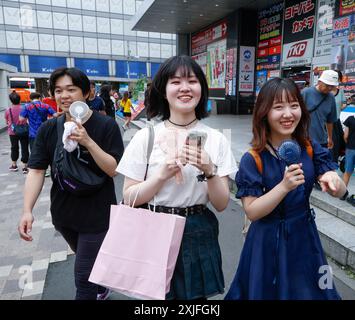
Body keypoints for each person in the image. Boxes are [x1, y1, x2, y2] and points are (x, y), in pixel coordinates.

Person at [117, 55, 237, 300]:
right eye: (176, 82)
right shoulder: (146, 137)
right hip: (154, 227)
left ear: (201, 89)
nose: (185, 88)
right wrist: (160, 176)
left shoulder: (217, 139)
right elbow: (129, 198)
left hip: (197, 229)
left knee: (196, 303)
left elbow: (222, 204)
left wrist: (209, 169)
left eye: (192, 81)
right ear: (163, 90)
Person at [225, 78, 347, 300]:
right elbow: (252, 211)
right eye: (278, 107)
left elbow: (337, 188)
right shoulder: (253, 158)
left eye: (293, 105)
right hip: (266, 242)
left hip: (305, 238)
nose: (288, 114)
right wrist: (284, 186)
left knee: (318, 291)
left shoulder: (309, 148)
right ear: (264, 112)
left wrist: (334, 180)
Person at [18, 67, 124, 300]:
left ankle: (95, 286)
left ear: (86, 93)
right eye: (58, 90)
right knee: (88, 261)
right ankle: (102, 284)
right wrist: (27, 210)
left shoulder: (106, 126)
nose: (63, 95)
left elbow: (113, 170)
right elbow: (36, 170)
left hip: (97, 214)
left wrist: (88, 141)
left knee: (82, 278)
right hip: (63, 214)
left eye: (71, 89)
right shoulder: (49, 128)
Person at [4, 91, 29, 174]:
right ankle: (25, 167)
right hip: (24, 131)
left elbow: (7, 122)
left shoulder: (8, 110)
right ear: (19, 99)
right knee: (25, 147)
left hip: (13, 132)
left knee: (14, 147)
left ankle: (14, 165)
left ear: (11, 100)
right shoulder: (24, 108)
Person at [331, 70, 347, 162]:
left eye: (337, 78)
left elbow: (344, 104)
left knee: (338, 143)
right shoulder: (325, 92)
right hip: (325, 123)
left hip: (336, 122)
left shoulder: (340, 92)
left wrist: (341, 107)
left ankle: (334, 163)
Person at [342, 95, 355, 205]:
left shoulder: (350, 119)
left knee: (347, 171)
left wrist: (348, 143)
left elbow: (345, 135)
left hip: (350, 148)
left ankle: (342, 193)